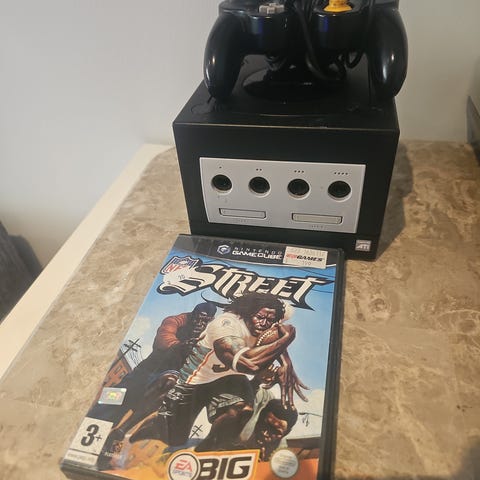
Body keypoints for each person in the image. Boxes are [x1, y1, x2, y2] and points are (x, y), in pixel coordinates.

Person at [129, 292, 305, 452]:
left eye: (270, 320)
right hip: (199, 378)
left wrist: (286, 364)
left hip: (228, 378)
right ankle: (145, 429)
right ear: (248, 313)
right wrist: (286, 339)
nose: (264, 323)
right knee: (174, 437)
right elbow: (248, 364)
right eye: (260, 317)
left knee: (242, 409)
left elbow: (274, 338)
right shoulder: (226, 324)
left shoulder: (267, 324)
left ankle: (209, 448)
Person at [88, 302, 216, 428]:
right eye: (199, 318)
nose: (200, 324)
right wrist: (179, 345)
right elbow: (163, 338)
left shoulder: (207, 337)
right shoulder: (175, 321)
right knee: (112, 398)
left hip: (169, 377)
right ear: (192, 315)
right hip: (146, 371)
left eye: (205, 321)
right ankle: (91, 421)